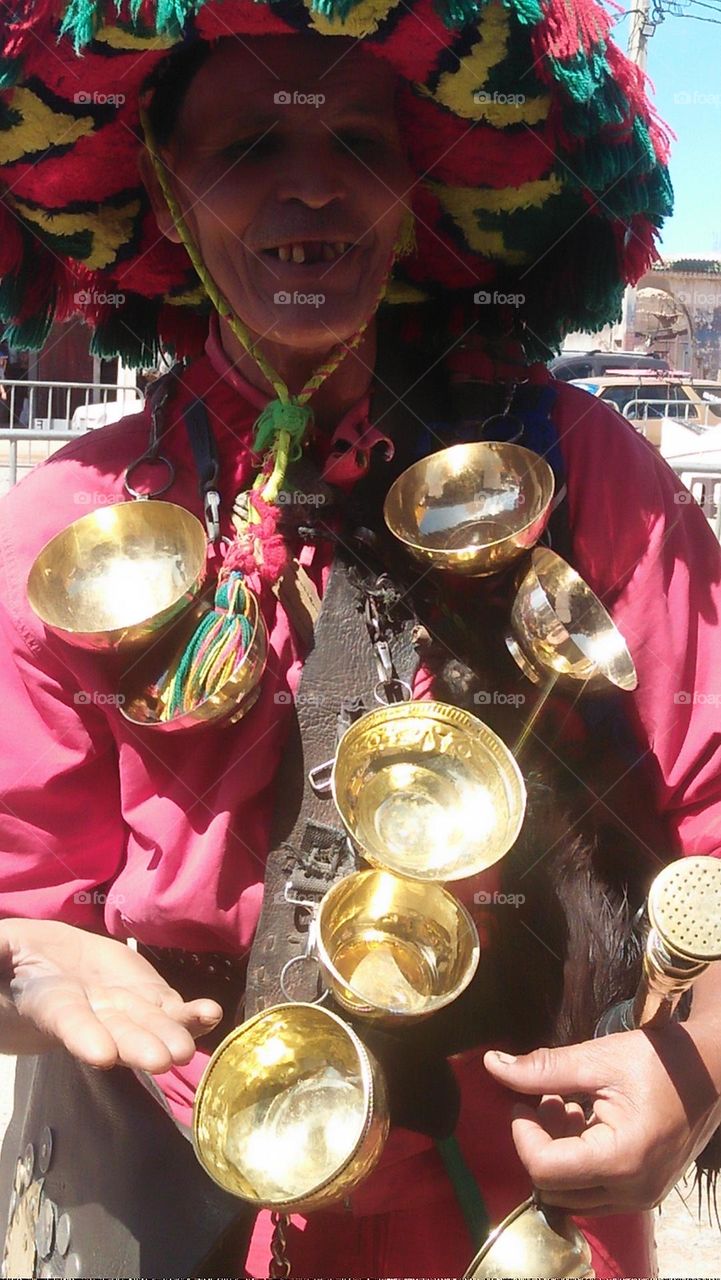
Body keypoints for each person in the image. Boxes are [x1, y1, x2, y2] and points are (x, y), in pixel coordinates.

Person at [0, 1, 720, 1277]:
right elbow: (22, 893)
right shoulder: (70, 525)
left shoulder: (577, 477)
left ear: (416, 191)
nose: (312, 189)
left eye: (358, 143)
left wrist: (699, 1067)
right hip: (168, 1169)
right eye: (248, 151)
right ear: (165, 196)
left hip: (518, 1195)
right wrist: (31, 964)